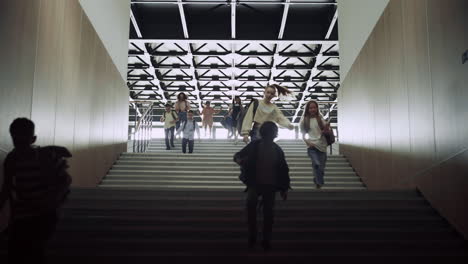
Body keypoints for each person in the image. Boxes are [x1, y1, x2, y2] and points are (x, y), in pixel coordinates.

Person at [0, 118, 72, 264]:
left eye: (22, 139)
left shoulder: (44, 156)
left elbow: (65, 181)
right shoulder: (12, 159)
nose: (19, 144)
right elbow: (7, 188)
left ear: (33, 139)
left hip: (44, 213)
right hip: (26, 214)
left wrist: (54, 200)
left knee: (32, 250)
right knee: (24, 251)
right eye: (16, 139)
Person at [233, 122, 290, 251]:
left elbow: (283, 169)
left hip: (264, 185)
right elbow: (237, 156)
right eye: (274, 131)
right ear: (272, 133)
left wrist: (284, 187)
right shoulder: (263, 147)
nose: (275, 134)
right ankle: (261, 239)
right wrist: (284, 188)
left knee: (260, 212)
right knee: (266, 213)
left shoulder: (275, 149)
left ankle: (258, 238)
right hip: (259, 184)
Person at [299, 100, 329, 189]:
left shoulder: (320, 118)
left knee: (321, 169)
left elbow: (326, 131)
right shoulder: (304, 120)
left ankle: (316, 180)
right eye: (310, 108)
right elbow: (303, 136)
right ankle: (319, 183)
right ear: (307, 109)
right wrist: (308, 142)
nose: (313, 109)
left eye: (314, 107)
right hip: (312, 147)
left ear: (317, 108)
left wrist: (326, 128)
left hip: (322, 146)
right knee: (316, 164)